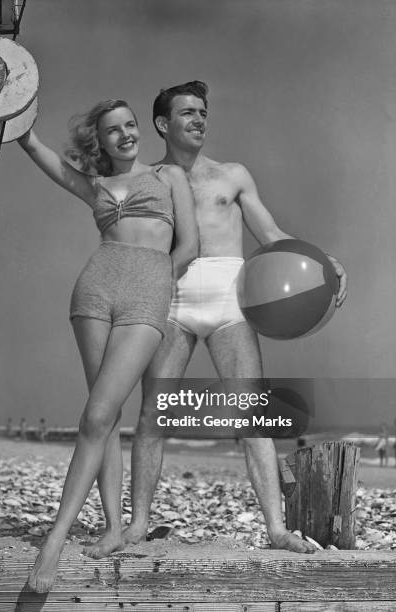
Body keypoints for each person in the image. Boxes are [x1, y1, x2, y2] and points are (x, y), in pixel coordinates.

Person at [110, 81, 345, 554]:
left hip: (229, 300)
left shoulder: (232, 175)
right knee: (153, 417)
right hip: (172, 302)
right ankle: (137, 525)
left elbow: (272, 234)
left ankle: (276, 530)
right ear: (163, 124)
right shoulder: (149, 180)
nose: (199, 119)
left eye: (203, 112)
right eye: (187, 113)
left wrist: (324, 263)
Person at [17, 99, 198, 592]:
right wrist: (12, 113)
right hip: (94, 291)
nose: (124, 135)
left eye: (130, 125)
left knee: (96, 415)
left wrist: (160, 280)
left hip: (146, 294)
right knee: (106, 417)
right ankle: (114, 527)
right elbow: (39, 151)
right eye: (112, 130)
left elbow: (189, 246)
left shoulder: (169, 176)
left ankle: (54, 538)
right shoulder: (95, 185)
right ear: (101, 142)